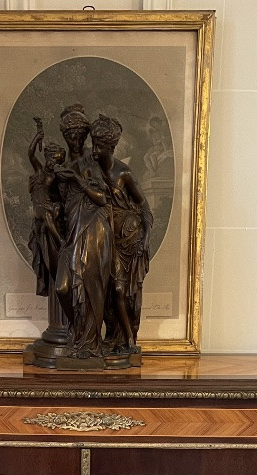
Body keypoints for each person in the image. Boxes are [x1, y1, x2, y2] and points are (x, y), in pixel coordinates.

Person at [53, 104, 113, 357]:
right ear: (64, 135)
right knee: (63, 287)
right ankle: (78, 332)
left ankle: (90, 341)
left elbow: (102, 198)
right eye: (70, 135)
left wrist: (76, 179)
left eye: (79, 134)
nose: (75, 139)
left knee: (91, 284)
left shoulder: (90, 160)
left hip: (93, 227)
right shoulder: (61, 161)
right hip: (71, 229)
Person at [91, 113, 153, 352]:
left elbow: (144, 206)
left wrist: (145, 239)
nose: (94, 150)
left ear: (111, 148)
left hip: (129, 238)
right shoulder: (91, 170)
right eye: (93, 144)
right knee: (109, 291)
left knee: (124, 292)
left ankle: (128, 340)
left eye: (99, 146)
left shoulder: (123, 173)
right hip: (107, 238)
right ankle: (113, 337)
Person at [26, 119, 65, 297]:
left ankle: (60, 243)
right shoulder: (39, 170)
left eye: (56, 161)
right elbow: (30, 153)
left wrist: (58, 206)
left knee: (52, 212)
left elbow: (61, 197)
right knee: (47, 215)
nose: (52, 163)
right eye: (51, 159)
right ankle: (60, 241)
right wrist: (37, 136)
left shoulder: (57, 176)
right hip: (39, 207)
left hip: (49, 206)